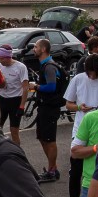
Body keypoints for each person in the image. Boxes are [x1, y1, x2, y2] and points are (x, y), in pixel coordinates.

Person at [60, 53, 98, 197]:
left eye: (96, 73)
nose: (92, 76)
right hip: (81, 130)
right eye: (90, 73)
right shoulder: (78, 79)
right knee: (75, 172)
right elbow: (68, 104)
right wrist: (79, 107)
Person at [32, 38, 64, 182]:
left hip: (50, 108)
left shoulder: (49, 66)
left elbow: (51, 87)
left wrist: (36, 86)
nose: (34, 49)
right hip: (44, 106)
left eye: (36, 47)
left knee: (50, 140)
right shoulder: (45, 65)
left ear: (43, 49)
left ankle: (52, 171)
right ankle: (53, 168)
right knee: (42, 138)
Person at [0, 45, 30, 145]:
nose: (0, 61)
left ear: (8, 57)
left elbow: (25, 87)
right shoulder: (0, 66)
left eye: (2, 58)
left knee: (14, 131)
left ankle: (17, 152)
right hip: (3, 99)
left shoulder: (20, 67)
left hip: (15, 100)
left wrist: (22, 106)